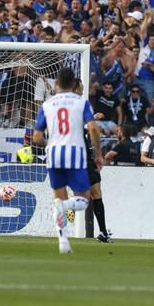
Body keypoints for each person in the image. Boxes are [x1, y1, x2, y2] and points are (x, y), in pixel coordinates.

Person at [32, 68, 104, 254]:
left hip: (53, 154)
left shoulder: (47, 105)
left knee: (59, 197)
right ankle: (63, 207)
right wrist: (98, 153)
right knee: (83, 200)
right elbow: (93, 129)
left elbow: (37, 137)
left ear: (57, 83)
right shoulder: (82, 103)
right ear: (74, 84)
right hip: (76, 153)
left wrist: (51, 143)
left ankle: (63, 241)